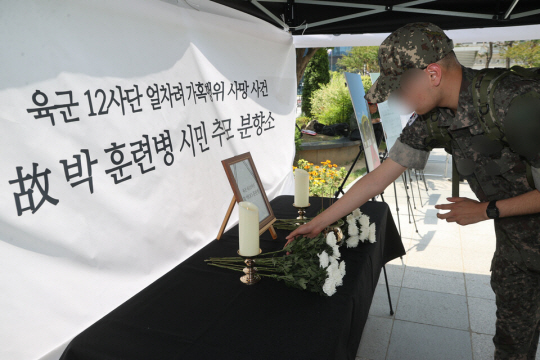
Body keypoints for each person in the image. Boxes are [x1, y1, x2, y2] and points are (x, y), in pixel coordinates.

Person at [285, 22, 540, 360]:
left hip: (511, 228)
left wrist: (484, 210)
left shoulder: (514, 104)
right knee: (511, 348)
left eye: (401, 89)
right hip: (518, 253)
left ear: (432, 74)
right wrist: (319, 223)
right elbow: (379, 177)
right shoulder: (433, 121)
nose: (399, 101)